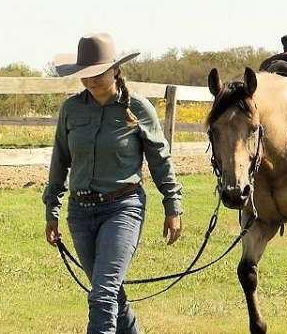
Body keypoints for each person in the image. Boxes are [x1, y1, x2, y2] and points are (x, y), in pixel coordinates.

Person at [42, 33, 183, 334]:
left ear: (115, 70)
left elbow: (160, 160)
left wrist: (173, 205)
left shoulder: (139, 109)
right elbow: (60, 161)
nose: (89, 81)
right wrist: (52, 209)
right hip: (80, 213)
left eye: (96, 74)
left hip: (123, 209)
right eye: (84, 75)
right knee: (110, 292)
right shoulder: (71, 109)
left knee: (103, 293)